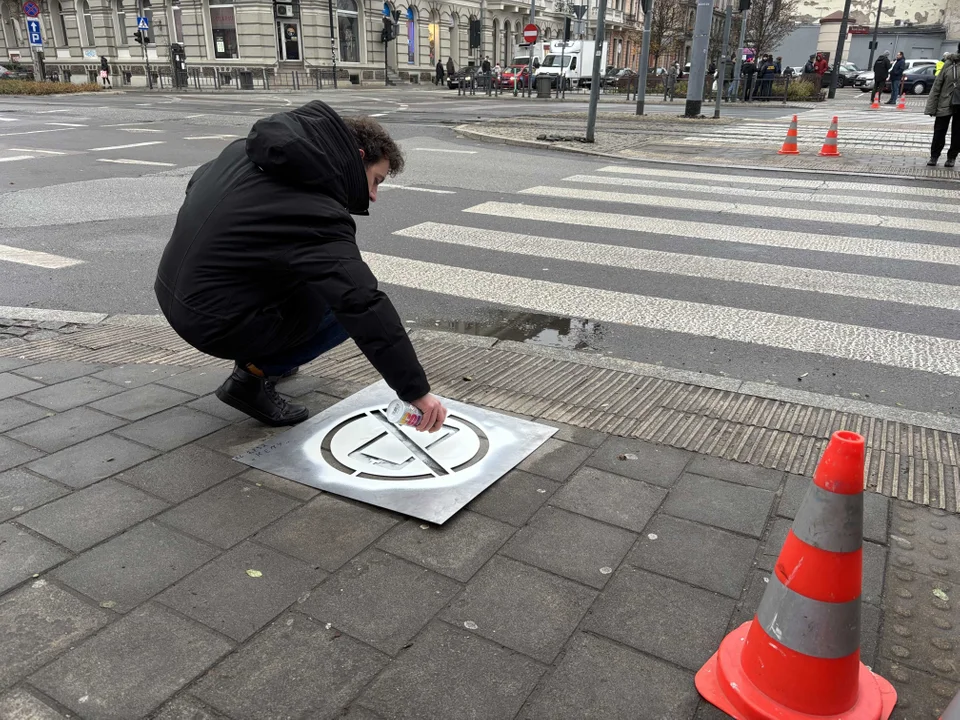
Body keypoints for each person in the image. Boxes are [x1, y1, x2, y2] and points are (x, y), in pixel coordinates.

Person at [154, 102, 448, 430]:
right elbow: (360, 301)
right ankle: (249, 380)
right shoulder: (314, 209)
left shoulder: (248, 150)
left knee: (312, 277)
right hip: (210, 321)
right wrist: (416, 391)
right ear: (359, 156)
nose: (374, 195)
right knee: (339, 305)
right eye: (376, 180)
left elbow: (197, 187)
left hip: (172, 288)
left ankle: (270, 358)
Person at [925, 46, 960, 167]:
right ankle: (934, 156)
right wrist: (931, 106)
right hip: (945, 102)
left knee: (958, 133)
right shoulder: (949, 63)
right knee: (939, 131)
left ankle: (952, 157)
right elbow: (937, 85)